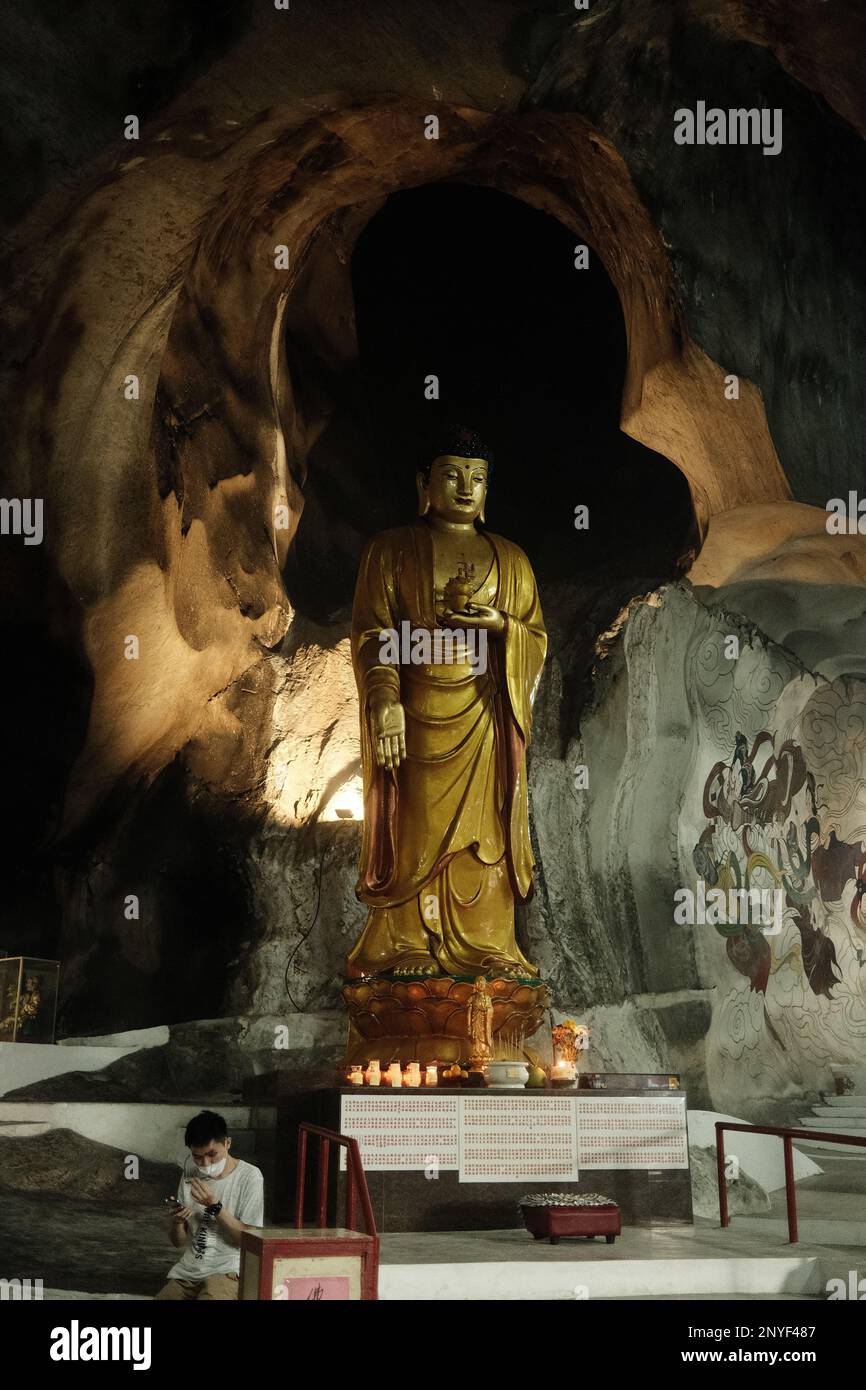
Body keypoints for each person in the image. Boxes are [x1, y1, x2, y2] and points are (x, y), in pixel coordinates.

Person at [154, 1109, 264, 1301]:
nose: (205, 1163)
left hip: (228, 1269)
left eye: (212, 1154)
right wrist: (178, 1223)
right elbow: (178, 1242)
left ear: (227, 1143)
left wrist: (214, 1206)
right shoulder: (190, 1172)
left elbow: (248, 1241)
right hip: (190, 1270)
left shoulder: (249, 1176)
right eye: (197, 1156)